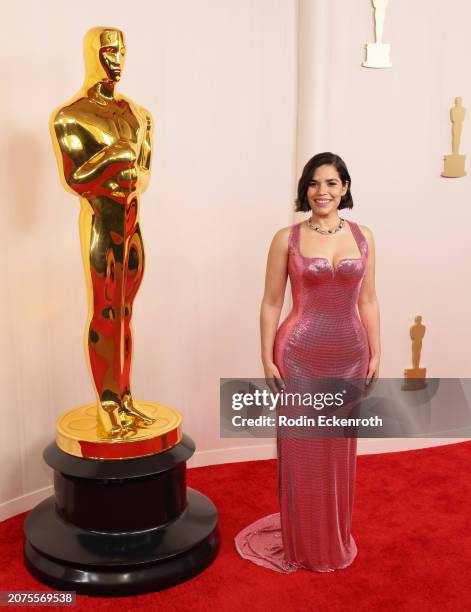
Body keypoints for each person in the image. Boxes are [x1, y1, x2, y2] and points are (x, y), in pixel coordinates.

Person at [235, 152, 380, 572]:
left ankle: (331, 537)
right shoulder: (288, 238)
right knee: (303, 451)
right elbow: (271, 302)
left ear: (345, 188)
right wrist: (266, 357)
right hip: (298, 356)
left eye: (332, 183)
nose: (323, 192)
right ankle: (302, 542)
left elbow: (368, 300)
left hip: (350, 355)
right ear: (305, 190)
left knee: (337, 450)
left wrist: (377, 351)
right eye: (315, 184)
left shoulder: (364, 236)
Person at [51, 27, 156, 436]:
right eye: (109, 49)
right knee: (106, 313)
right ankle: (108, 403)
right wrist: (117, 155)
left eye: (123, 49)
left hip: (132, 225)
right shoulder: (71, 115)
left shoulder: (138, 114)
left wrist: (130, 163)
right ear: (92, 53)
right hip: (100, 222)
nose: (118, 58)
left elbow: (143, 175)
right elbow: (76, 179)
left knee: (126, 314)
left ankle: (125, 398)